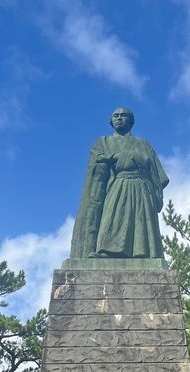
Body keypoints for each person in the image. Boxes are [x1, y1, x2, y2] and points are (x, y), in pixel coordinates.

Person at [70, 108, 169, 259]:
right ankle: (107, 251)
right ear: (111, 121)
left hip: (141, 187)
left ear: (131, 121)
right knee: (112, 217)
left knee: (140, 221)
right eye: (115, 116)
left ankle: (142, 252)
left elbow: (157, 173)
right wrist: (112, 159)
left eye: (123, 115)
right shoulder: (103, 142)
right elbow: (97, 163)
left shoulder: (143, 144)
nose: (119, 118)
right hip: (118, 184)